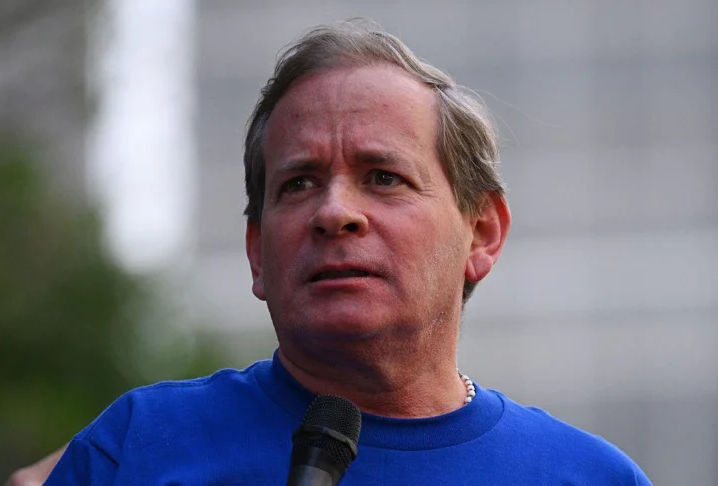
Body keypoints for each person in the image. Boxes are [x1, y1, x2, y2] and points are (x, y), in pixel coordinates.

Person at [37, 21, 650, 484]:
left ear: (482, 232)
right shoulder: (138, 450)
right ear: (257, 252)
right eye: (298, 183)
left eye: (384, 177)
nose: (334, 212)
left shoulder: (589, 477)